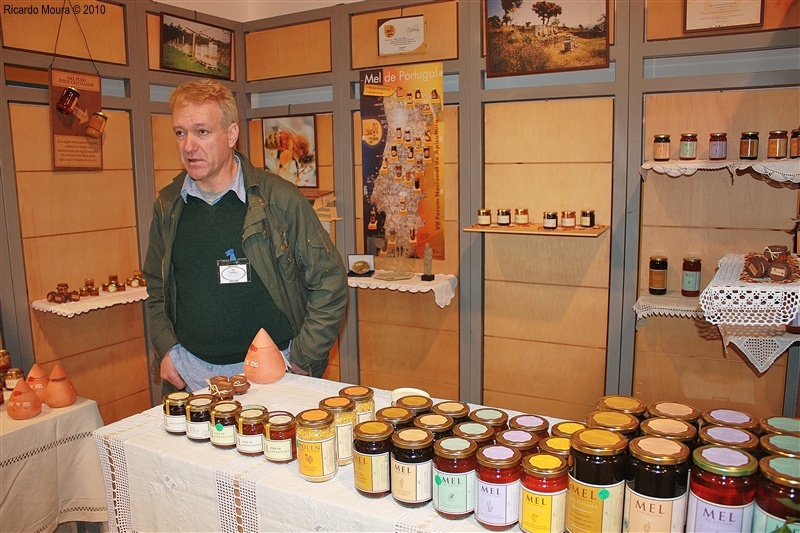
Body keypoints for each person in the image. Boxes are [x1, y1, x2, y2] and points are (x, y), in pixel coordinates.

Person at [142, 79, 347, 394]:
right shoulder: (168, 205)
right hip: (192, 376)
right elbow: (156, 286)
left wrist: (302, 357)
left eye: (202, 132)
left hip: (271, 373)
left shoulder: (280, 200)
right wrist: (167, 349)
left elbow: (330, 281)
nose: (188, 146)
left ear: (231, 134)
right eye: (180, 132)